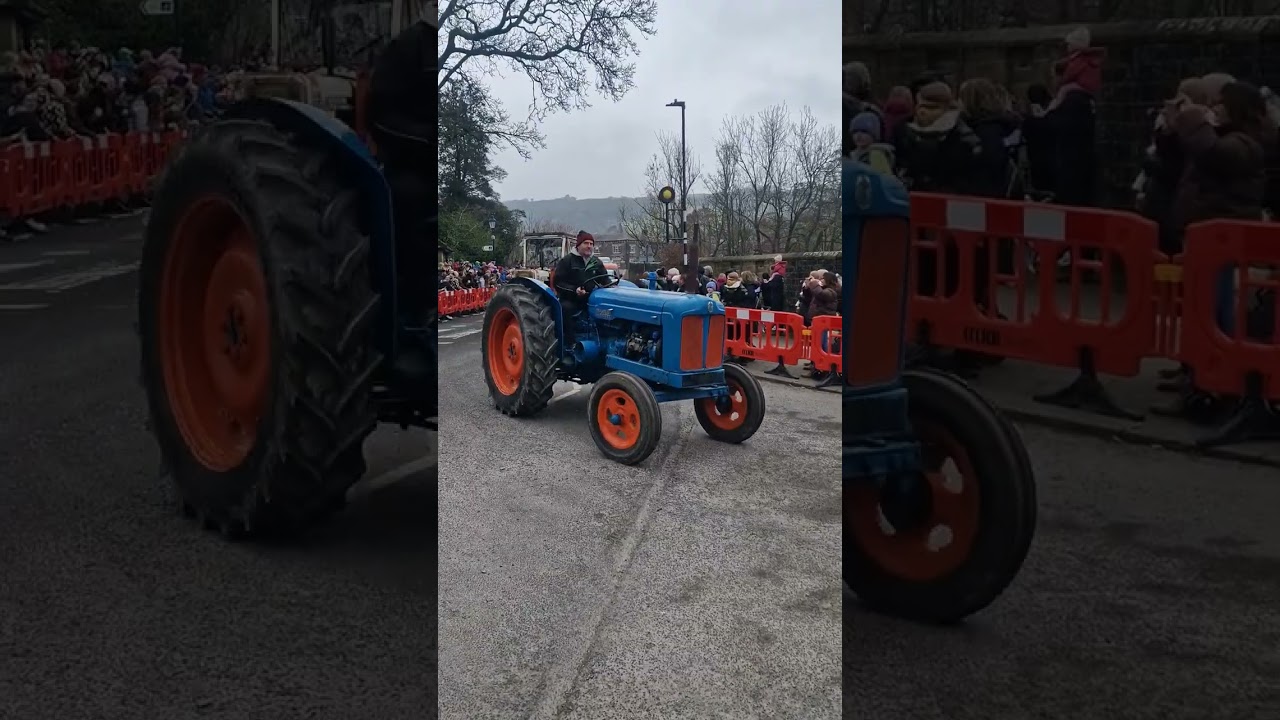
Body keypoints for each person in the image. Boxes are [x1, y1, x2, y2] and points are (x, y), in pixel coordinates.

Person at [365, 11, 436, 400]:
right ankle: (408, 320)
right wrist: (427, 141)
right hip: (409, 164)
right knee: (407, 200)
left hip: (435, 169)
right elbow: (380, 116)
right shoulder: (410, 47)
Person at [552, 231, 607, 349]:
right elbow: (558, 282)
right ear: (578, 245)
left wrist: (611, 287)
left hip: (591, 299)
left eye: (591, 244)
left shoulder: (596, 262)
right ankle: (569, 343)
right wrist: (574, 290)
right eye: (586, 243)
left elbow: (605, 280)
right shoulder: (567, 261)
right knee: (566, 308)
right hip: (571, 299)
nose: (589, 246)